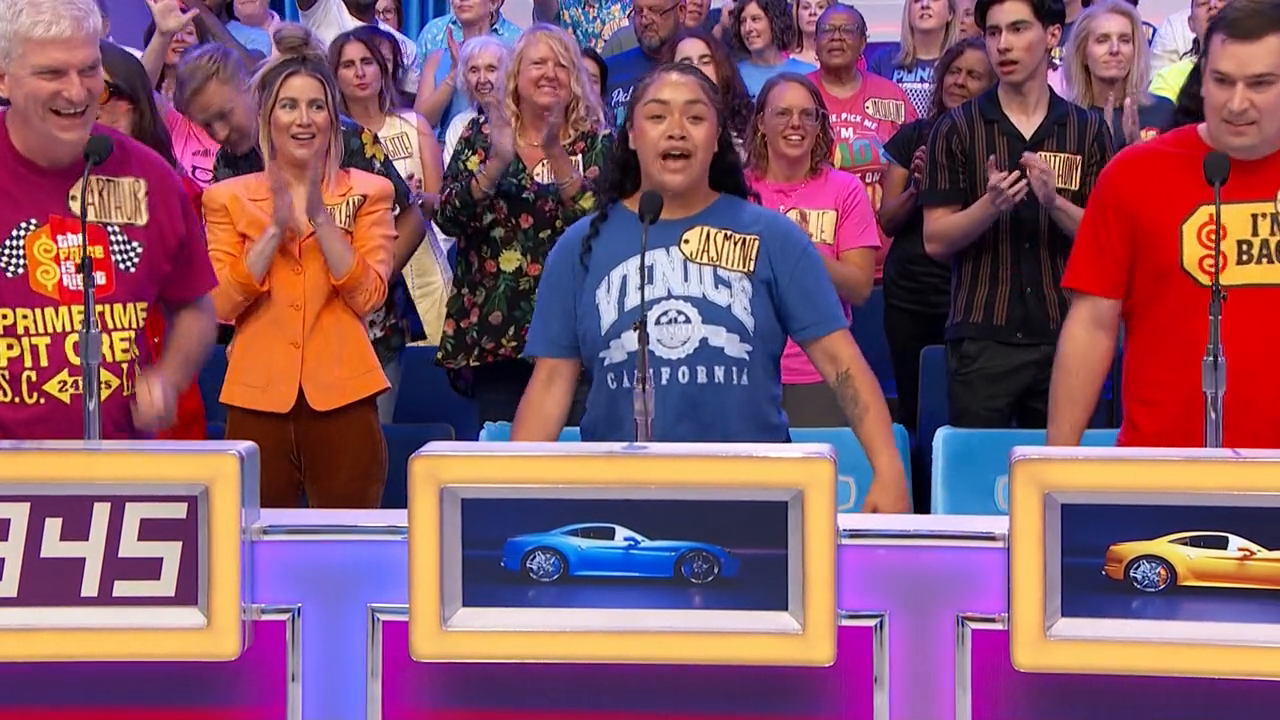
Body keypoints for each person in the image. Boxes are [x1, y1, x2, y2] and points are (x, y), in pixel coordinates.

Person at [512, 63, 909, 512]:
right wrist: (511, 493)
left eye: (696, 117)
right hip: (619, 501)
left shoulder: (773, 238)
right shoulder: (580, 247)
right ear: (632, 135)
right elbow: (551, 383)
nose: (676, 129)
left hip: (756, 499)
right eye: (657, 116)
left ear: (717, 137)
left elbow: (841, 363)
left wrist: (888, 467)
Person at [1048, 0, 1280, 447]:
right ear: (1201, 77)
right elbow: (1092, 326)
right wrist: (1056, 462)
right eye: (1222, 81)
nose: (1237, 103)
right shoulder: (1133, 176)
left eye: (1260, 83)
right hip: (1158, 467)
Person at [175, 32, 426, 417]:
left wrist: (363, 285)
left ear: (251, 88)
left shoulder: (345, 138)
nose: (220, 133)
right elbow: (232, 269)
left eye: (224, 115)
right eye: (207, 126)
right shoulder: (229, 163)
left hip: (366, 337)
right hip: (275, 346)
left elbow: (412, 218)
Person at [0, 0, 218, 439]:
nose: (77, 92)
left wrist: (169, 377)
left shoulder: (151, 176)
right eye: (51, 73)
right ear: (4, 78)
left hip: (122, 462)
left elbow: (195, 308)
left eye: (88, 70)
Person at [204, 33, 395, 507]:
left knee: (347, 541)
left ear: (333, 118)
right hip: (256, 396)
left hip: (344, 397)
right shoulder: (226, 198)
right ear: (268, 119)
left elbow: (369, 296)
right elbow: (221, 304)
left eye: (316, 107)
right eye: (289, 106)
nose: (303, 119)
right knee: (252, 540)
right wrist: (274, 232)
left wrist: (322, 222)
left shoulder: (370, 192)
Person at [920, 0, 1113, 429]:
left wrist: (1055, 204)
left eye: (1018, 29)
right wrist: (990, 206)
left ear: (1052, 35)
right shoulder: (957, 128)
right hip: (982, 339)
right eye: (993, 33)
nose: (1003, 44)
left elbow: (1107, 240)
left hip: (1067, 335)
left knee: (1063, 468)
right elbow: (935, 239)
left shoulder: (1087, 130)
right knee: (976, 465)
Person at [434, 24, 610, 423]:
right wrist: (496, 163)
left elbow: (605, 227)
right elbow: (448, 217)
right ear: (516, 74)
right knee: (505, 454)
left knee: (576, 453)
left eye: (561, 65)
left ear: (574, 78)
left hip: (576, 334)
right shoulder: (481, 134)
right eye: (538, 63)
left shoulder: (597, 140)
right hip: (497, 335)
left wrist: (555, 153)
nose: (550, 73)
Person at [878, 36, 993, 447]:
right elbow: (887, 221)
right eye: (954, 72)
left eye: (973, 75)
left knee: (968, 412)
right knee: (912, 411)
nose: (959, 81)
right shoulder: (913, 136)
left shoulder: (997, 142)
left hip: (973, 299)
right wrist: (917, 188)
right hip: (909, 296)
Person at [747, 73, 880, 427]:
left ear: (819, 125)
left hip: (820, 372)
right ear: (761, 123)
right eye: (782, 113)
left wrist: (801, 252)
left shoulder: (845, 189)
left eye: (808, 115)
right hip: (746, 370)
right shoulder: (735, 190)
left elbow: (860, 287)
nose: (796, 123)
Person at [97, 40, 210, 441]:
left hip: (157, 398)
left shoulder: (173, 190)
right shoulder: (49, 191)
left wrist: (168, 376)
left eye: (101, 91)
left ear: (133, 103)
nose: (85, 103)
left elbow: (196, 307)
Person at [809, 4, 916, 279]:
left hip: (888, 265)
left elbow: (916, 164)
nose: (836, 36)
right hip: (813, 265)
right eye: (827, 30)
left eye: (847, 29)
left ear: (863, 42)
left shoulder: (892, 95)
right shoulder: (796, 93)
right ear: (815, 42)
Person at [1062, 0, 1173, 149]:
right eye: (1102, 40)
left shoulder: (1164, 112)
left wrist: (1136, 148)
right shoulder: (1066, 119)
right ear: (1082, 54)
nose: (1115, 49)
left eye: (1124, 40)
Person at [668, 27, 754, 155]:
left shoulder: (748, 121)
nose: (697, 69)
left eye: (705, 62)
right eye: (686, 63)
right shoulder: (663, 126)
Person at [868, 0, 960, 117]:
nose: (925, 4)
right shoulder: (882, 61)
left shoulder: (962, 61)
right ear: (908, 13)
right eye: (917, 0)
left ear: (950, 13)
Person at [729, 0, 815, 97]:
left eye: (755, 19)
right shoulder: (734, 76)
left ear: (775, 21)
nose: (747, 28)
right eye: (743, 21)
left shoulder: (808, 72)